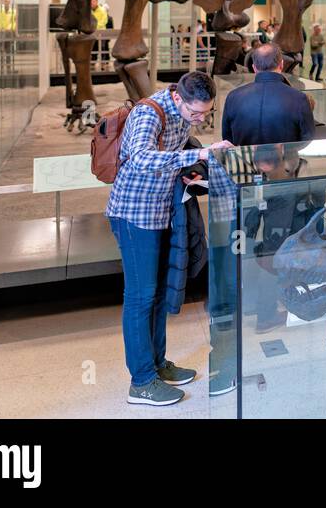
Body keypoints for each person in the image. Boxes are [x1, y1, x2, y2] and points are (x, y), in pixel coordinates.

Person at [105, 71, 233, 406]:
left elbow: (173, 155)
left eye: (206, 113)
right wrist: (198, 156)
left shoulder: (184, 111)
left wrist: (192, 170)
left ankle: (157, 364)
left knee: (159, 293)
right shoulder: (149, 113)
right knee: (140, 296)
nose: (200, 119)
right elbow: (142, 157)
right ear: (178, 97)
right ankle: (141, 381)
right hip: (134, 215)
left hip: (161, 211)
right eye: (196, 114)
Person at [221, 43, 317, 335]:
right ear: (280, 65)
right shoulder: (297, 98)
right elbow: (306, 140)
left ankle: (236, 308)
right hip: (282, 182)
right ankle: (266, 311)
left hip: (246, 181)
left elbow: (228, 139)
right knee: (274, 246)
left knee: (241, 243)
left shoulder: (235, 98)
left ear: (252, 67)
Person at [0, 0, 17, 75]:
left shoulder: (13, 11)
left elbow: (14, 22)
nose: (7, 2)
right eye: (6, 1)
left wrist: (11, 29)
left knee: (8, 51)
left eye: (8, 1)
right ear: (2, 2)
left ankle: (8, 69)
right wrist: (2, 28)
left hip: (8, 34)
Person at [91, 0, 109, 69]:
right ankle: (93, 63)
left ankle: (103, 63)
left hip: (101, 33)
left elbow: (104, 21)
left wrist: (95, 27)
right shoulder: (89, 11)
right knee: (93, 47)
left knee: (102, 47)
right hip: (92, 33)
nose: (92, 3)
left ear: (96, 2)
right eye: (90, 2)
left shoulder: (102, 10)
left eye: (93, 1)